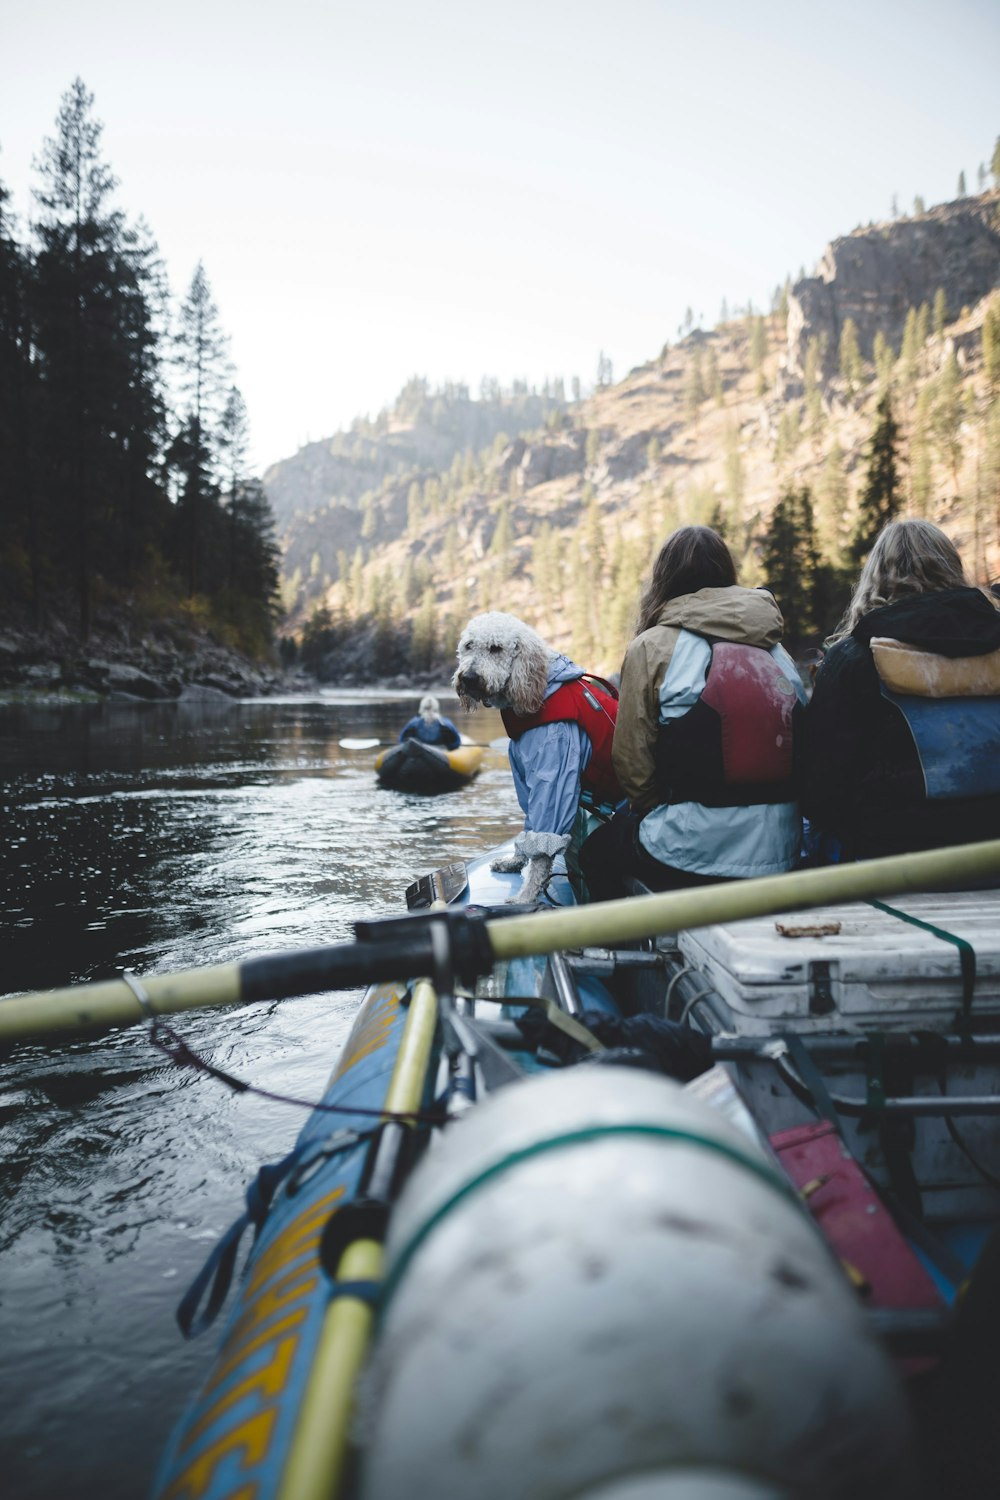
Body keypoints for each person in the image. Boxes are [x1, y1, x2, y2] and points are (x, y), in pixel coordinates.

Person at [580, 525, 805, 901]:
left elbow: (632, 762)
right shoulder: (775, 648)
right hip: (781, 847)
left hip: (690, 847)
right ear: (726, 572)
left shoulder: (652, 646)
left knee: (595, 853)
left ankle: (619, 951)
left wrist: (654, 809)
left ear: (664, 579)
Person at [802, 519, 1000, 861]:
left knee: (809, 833)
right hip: (992, 845)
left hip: (894, 856)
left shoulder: (854, 658)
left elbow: (822, 790)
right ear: (952, 568)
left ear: (874, 577)